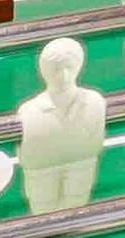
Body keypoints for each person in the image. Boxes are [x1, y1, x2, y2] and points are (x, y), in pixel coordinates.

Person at [15, 34, 107, 215]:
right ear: (45, 71)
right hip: (42, 172)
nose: (64, 75)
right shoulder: (30, 111)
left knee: (76, 204)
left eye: (69, 67)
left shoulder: (94, 101)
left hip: (81, 164)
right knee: (43, 208)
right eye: (56, 69)